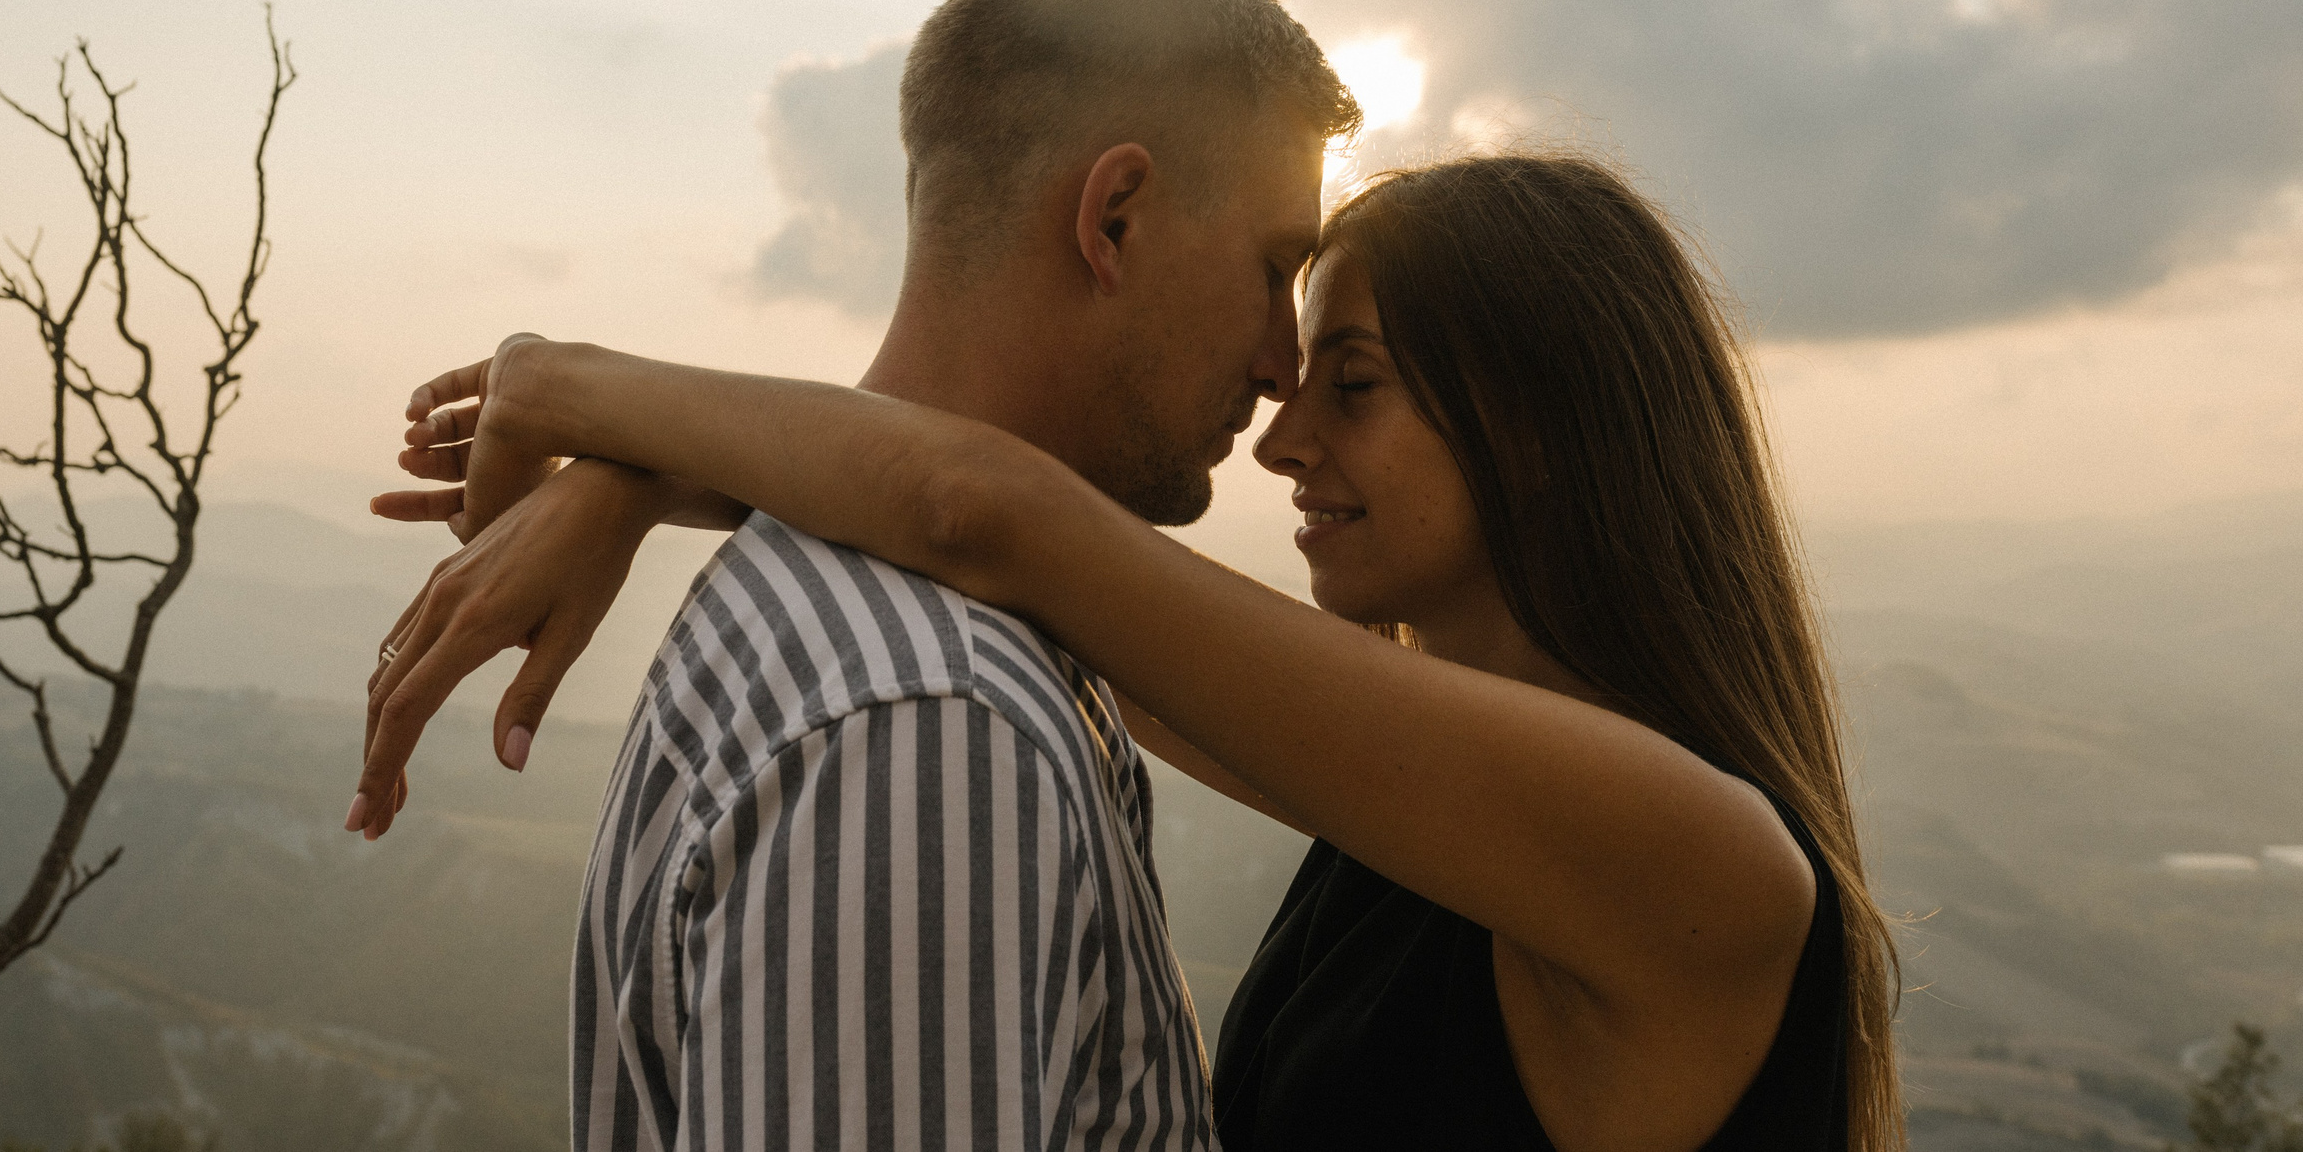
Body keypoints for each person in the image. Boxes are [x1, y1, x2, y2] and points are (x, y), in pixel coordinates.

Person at [358, 150, 1907, 1150]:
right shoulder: (1439, 791)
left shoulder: (1693, 860)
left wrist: (571, 390)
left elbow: (991, 513)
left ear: (1544, 422)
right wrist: (643, 487)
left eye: (1350, 382)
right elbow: (1028, 571)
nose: (1282, 437)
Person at [356, 0, 1362, 1150]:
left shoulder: (887, 623)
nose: (1280, 367)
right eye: (1274, 269)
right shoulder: (936, 723)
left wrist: (634, 449)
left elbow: (970, 511)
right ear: (1115, 220)